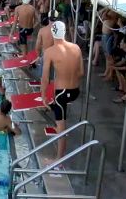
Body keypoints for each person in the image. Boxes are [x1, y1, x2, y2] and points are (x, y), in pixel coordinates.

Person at [42, 21, 84, 160]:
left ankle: (59, 161)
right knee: (57, 106)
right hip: (75, 91)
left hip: (61, 94)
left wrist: (43, 96)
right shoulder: (76, 48)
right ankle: (58, 126)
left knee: (62, 126)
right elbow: (81, 72)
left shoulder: (50, 52)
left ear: (52, 33)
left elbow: (45, 78)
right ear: (65, 32)